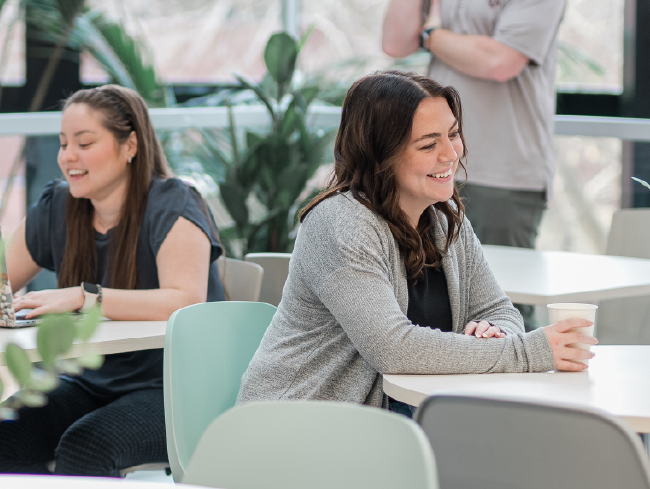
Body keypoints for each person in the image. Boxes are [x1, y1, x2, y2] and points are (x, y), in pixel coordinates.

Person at [237, 70, 593, 411]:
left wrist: (494, 332)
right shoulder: (340, 224)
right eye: (428, 144)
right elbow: (391, 348)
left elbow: (497, 309)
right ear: (381, 156)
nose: (451, 154)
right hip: (294, 431)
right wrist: (528, 351)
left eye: (452, 134)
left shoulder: (442, 218)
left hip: (382, 431)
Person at [0, 84, 224, 479]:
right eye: (63, 143)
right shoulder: (59, 208)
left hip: (175, 390)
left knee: (86, 446)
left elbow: (184, 300)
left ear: (130, 146)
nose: (68, 156)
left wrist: (83, 297)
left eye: (85, 143)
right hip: (90, 382)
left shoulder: (174, 203)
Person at [379, 0, 568, 249]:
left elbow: (500, 62)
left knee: (503, 307)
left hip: (505, 176)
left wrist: (432, 36)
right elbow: (395, 41)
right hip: (436, 170)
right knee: (436, 306)